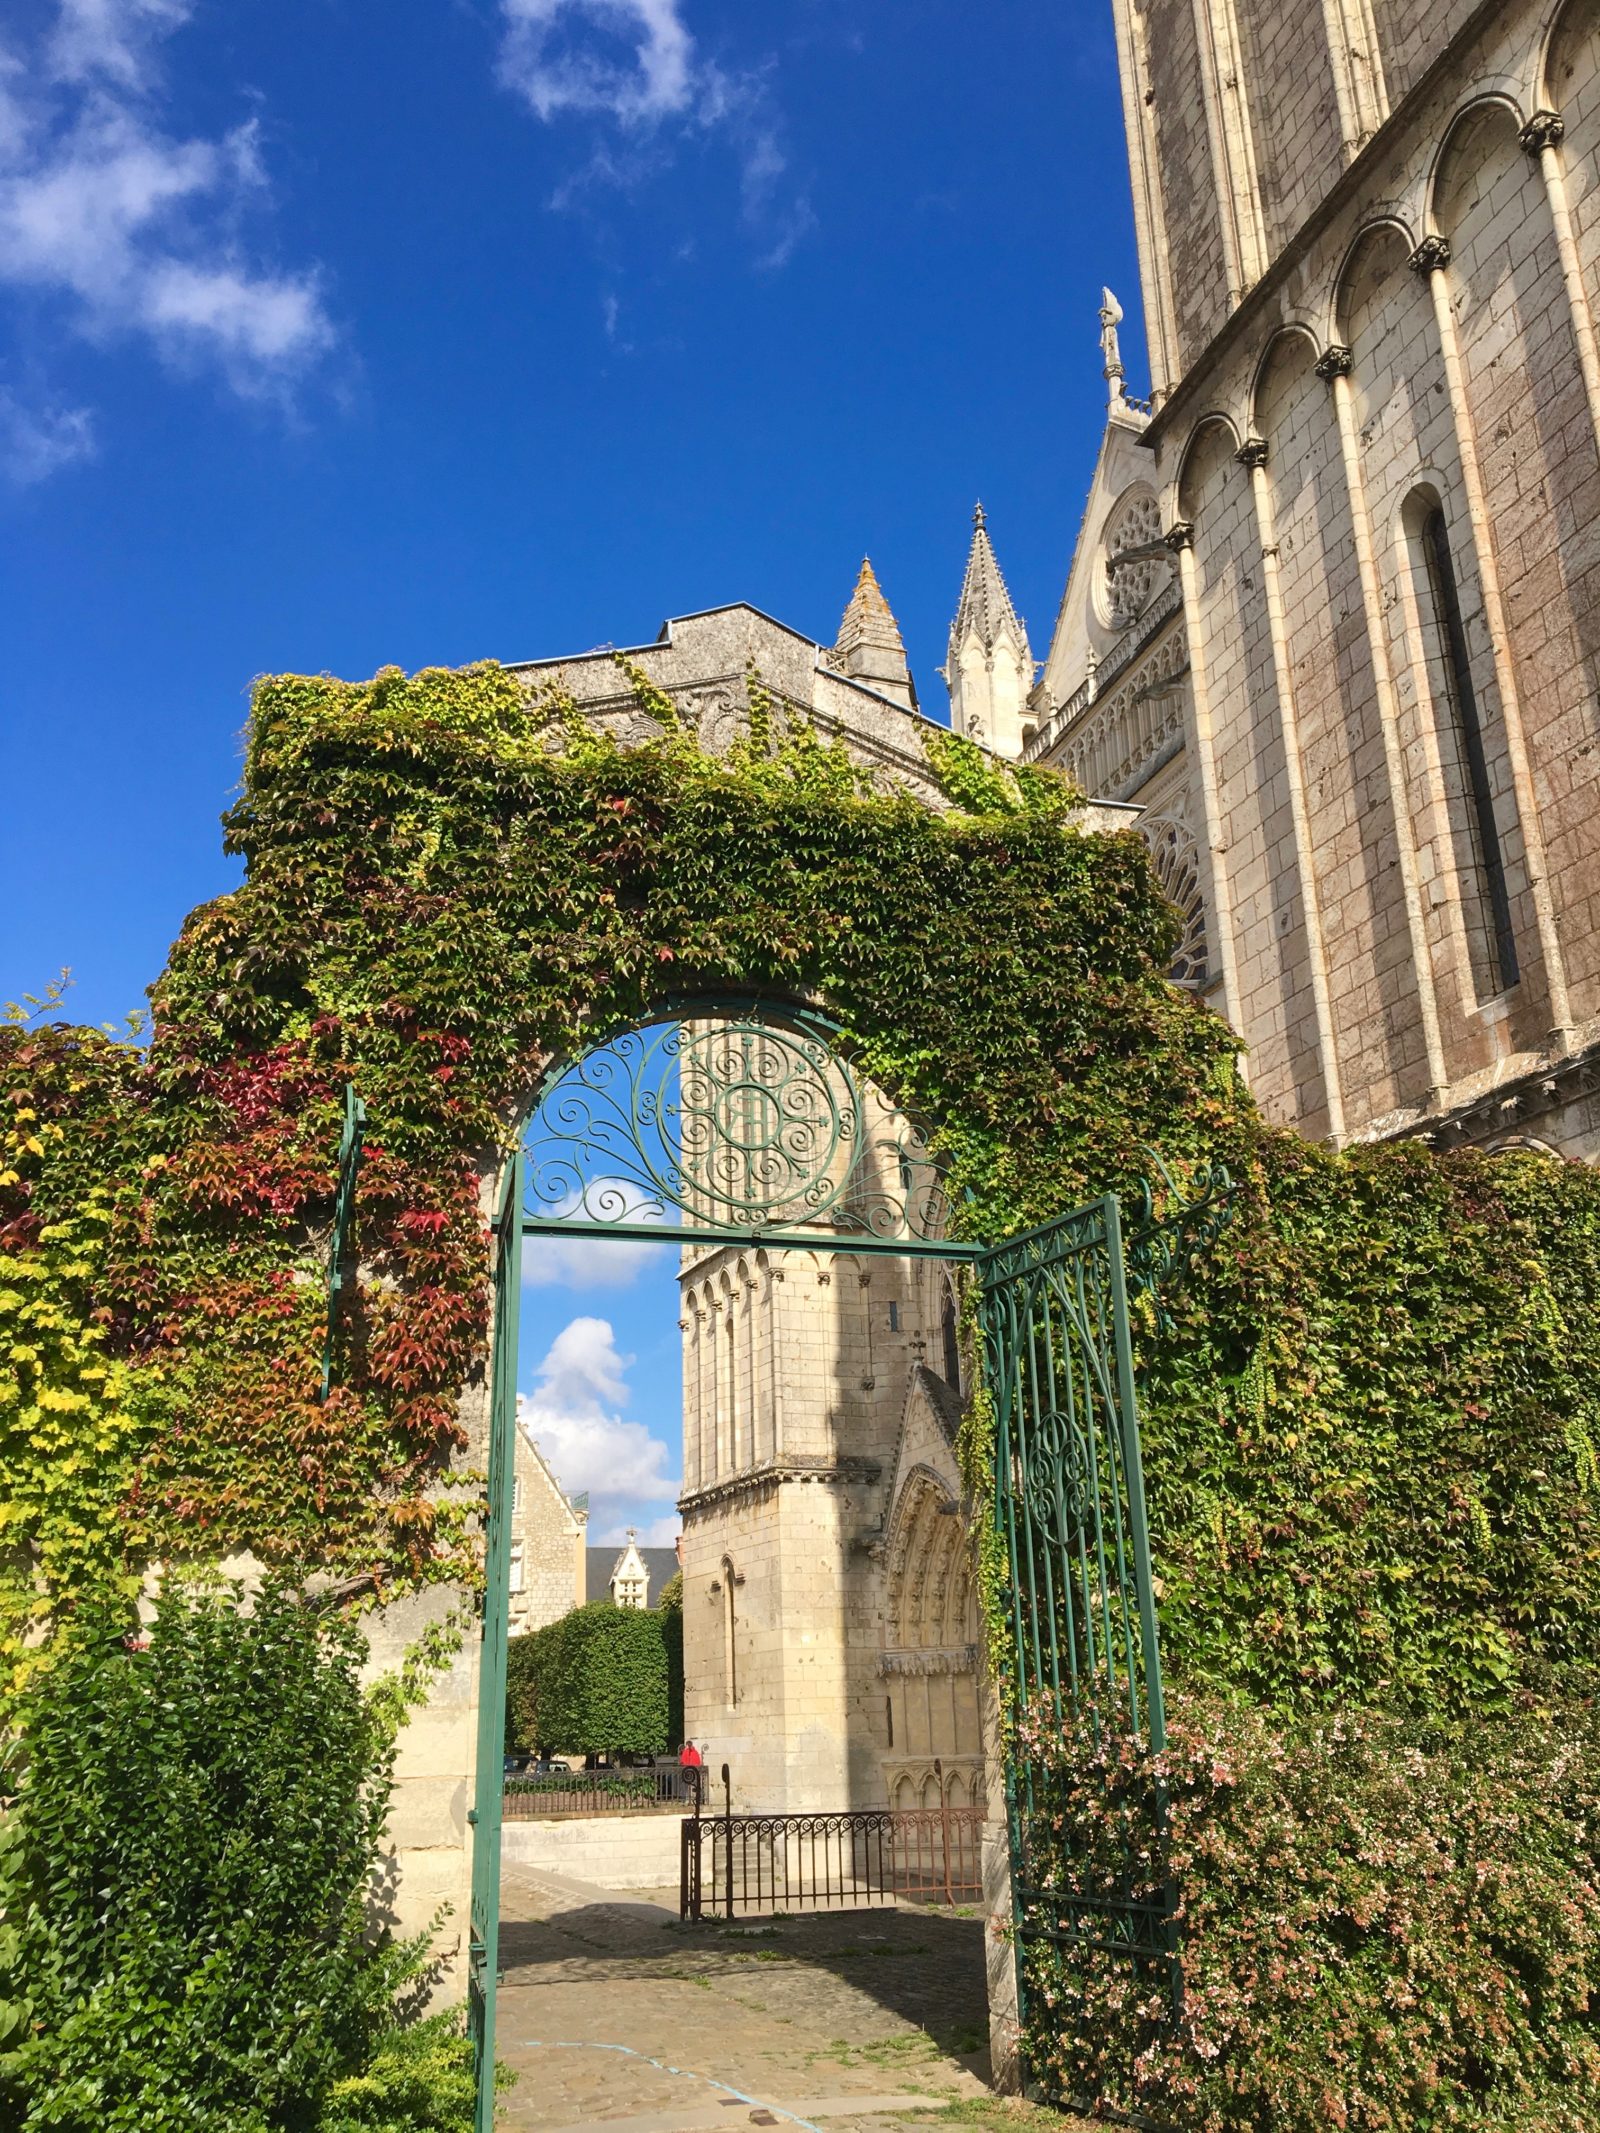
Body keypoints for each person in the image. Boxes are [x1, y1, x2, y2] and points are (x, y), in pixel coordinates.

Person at [678, 1737, 703, 1807]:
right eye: (688, 1744)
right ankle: (686, 1799)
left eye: (689, 1744)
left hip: (693, 1771)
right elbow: (683, 1761)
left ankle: (695, 1799)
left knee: (694, 1786)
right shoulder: (686, 1752)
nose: (689, 1745)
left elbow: (697, 1761)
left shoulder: (695, 1752)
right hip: (687, 1771)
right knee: (686, 1786)